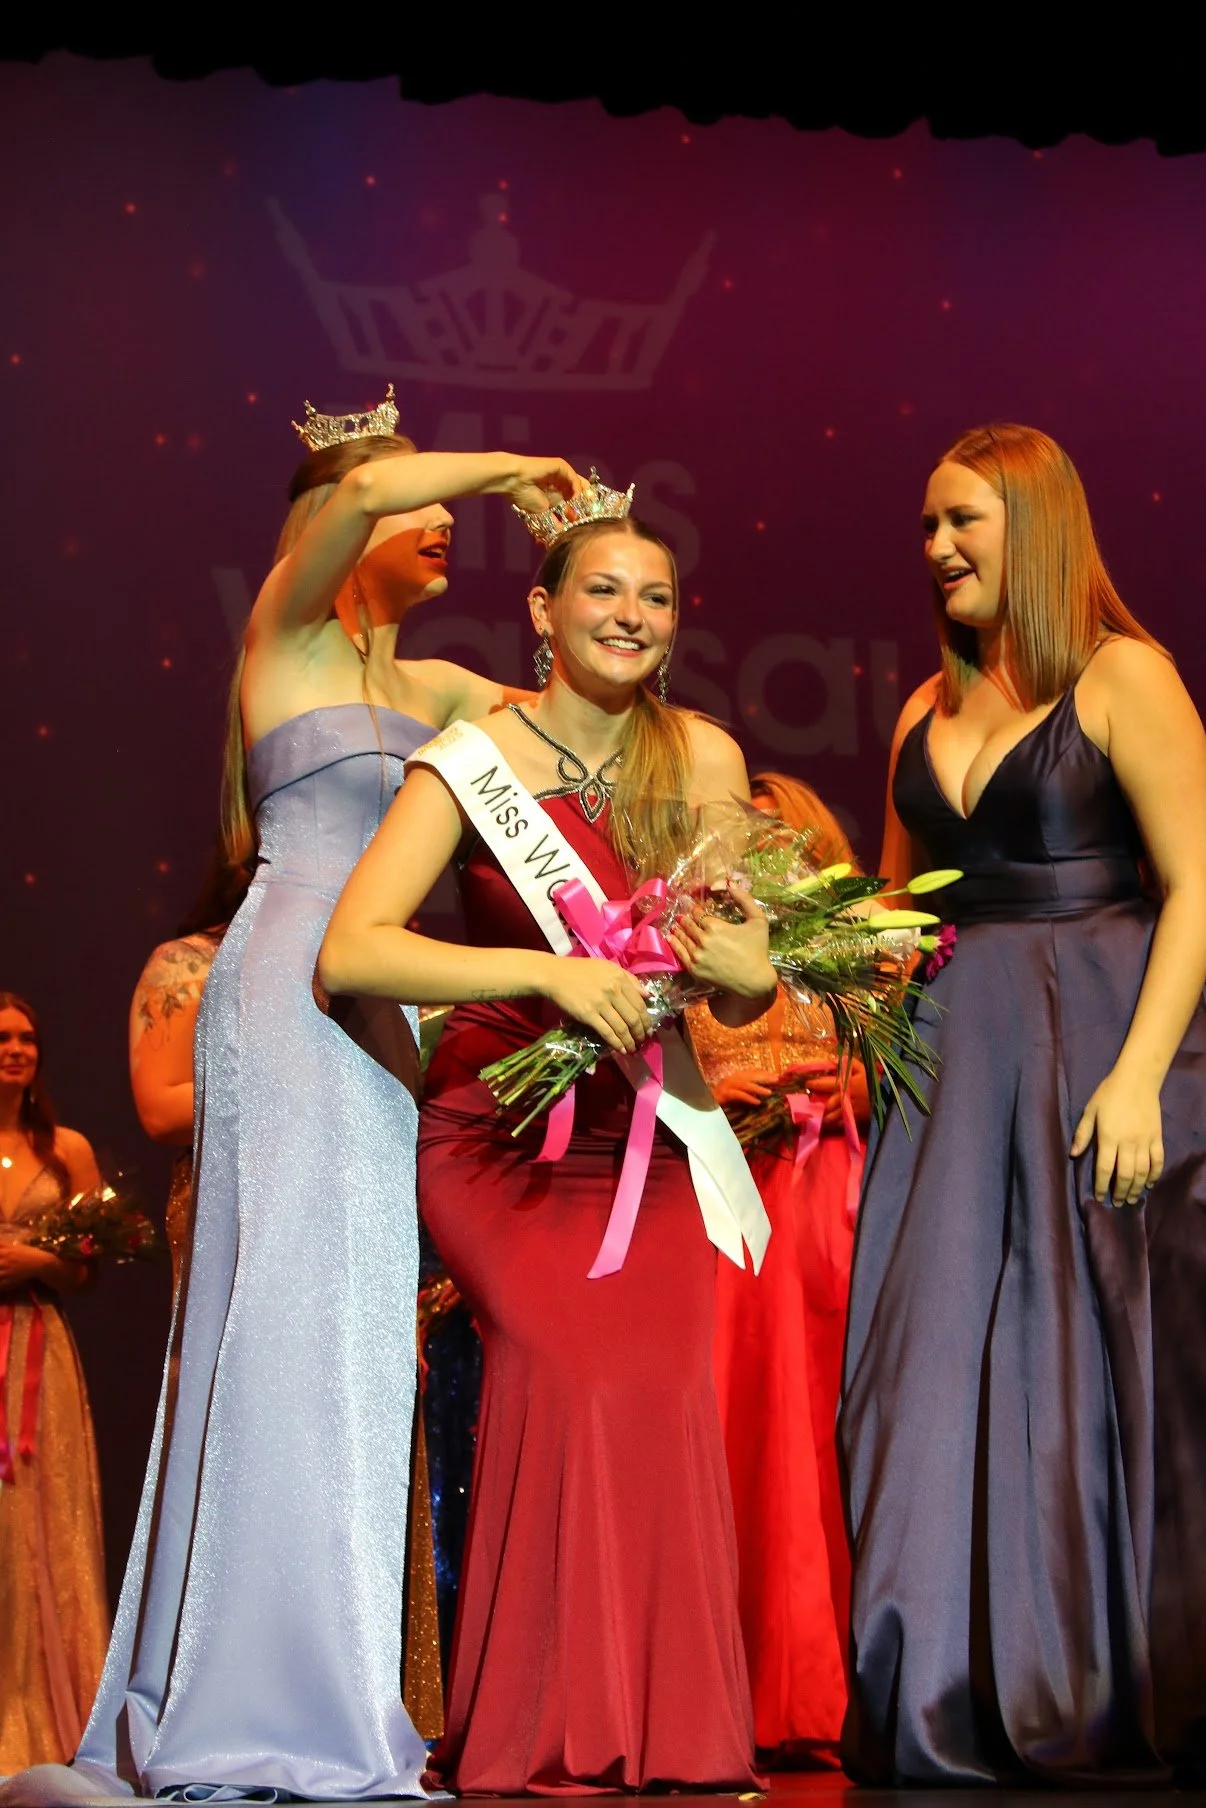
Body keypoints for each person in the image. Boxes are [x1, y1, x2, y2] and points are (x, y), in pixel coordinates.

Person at [29, 390, 590, 1802]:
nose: (439, 519)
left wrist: (592, 572)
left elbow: (571, 723)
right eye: (419, 500)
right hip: (285, 997)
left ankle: (324, 1676)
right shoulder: (282, 635)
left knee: (354, 1340)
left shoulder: (440, 690)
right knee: (282, 1321)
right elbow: (356, 497)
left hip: (385, 1015)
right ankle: (252, 1690)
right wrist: (513, 464)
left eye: (447, 501)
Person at [319, 491, 779, 1793]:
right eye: (602, 590)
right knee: (565, 1376)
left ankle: (670, 1729)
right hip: (504, 1131)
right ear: (542, 609)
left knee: (662, 1396)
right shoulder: (472, 758)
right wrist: (542, 968)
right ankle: (543, 1728)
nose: (630, 615)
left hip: (648, 1118)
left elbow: (740, 977)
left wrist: (745, 970)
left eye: (655, 597)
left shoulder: (702, 757)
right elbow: (354, 949)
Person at [839, 422, 1206, 1785]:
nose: (937, 548)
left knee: (1079, 1360)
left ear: (1035, 526)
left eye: (964, 522)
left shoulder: (1122, 676)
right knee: (920, 1365)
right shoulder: (918, 713)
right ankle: (933, 1684)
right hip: (946, 1064)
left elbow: (1198, 882)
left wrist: (1140, 1072)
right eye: (927, 526)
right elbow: (895, 908)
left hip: (1096, 1042)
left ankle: (1085, 1684)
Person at [687, 772, 870, 1765]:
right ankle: (740, 1686)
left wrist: (846, 1082)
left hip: (833, 1207)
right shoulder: (692, 946)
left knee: (833, 1432)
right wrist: (714, 1096)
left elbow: (910, 1070)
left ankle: (846, 1682)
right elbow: (657, 1074)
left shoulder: (865, 951)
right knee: (744, 1432)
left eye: (779, 837)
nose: (762, 855)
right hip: (731, 1210)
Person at [0, 993, 108, 1773]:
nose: (15, 1049)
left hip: (40, 1350)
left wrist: (38, 1261)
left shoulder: (68, 1149)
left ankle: (49, 1715)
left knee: (42, 1515)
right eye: (2, 1037)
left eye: (27, 1038)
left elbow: (89, 1266)